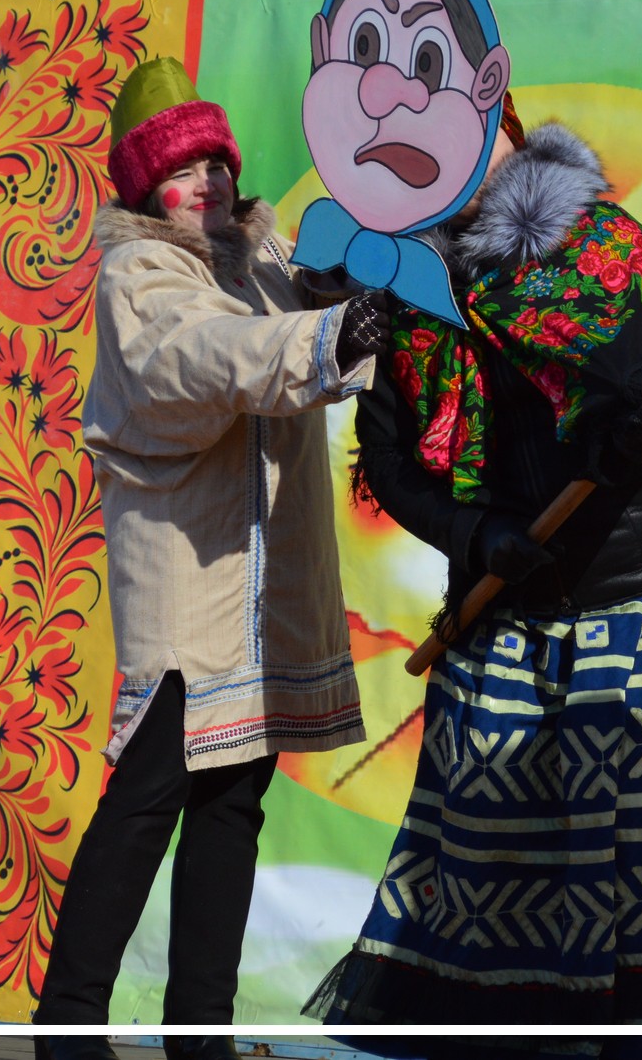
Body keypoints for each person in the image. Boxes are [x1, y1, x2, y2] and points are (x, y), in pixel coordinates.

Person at [299, 0, 642, 1057]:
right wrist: (478, 531)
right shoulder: (393, 288)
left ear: (489, 106)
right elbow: (392, 461)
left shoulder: (594, 244)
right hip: (506, 613)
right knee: (478, 911)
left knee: (636, 916)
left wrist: (638, 432)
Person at [34, 57, 385, 1059]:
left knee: (233, 805)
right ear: (147, 190)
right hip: (189, 581)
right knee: (149, 798)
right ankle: (66, 1030)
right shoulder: (141, 275)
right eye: (183, 172)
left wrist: (348, 290)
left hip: (262, 590)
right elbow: (205, 358)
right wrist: (325, 334)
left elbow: (307, 318)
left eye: (216, 166)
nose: (207, 186)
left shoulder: (257, 260)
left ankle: (200, 1035)